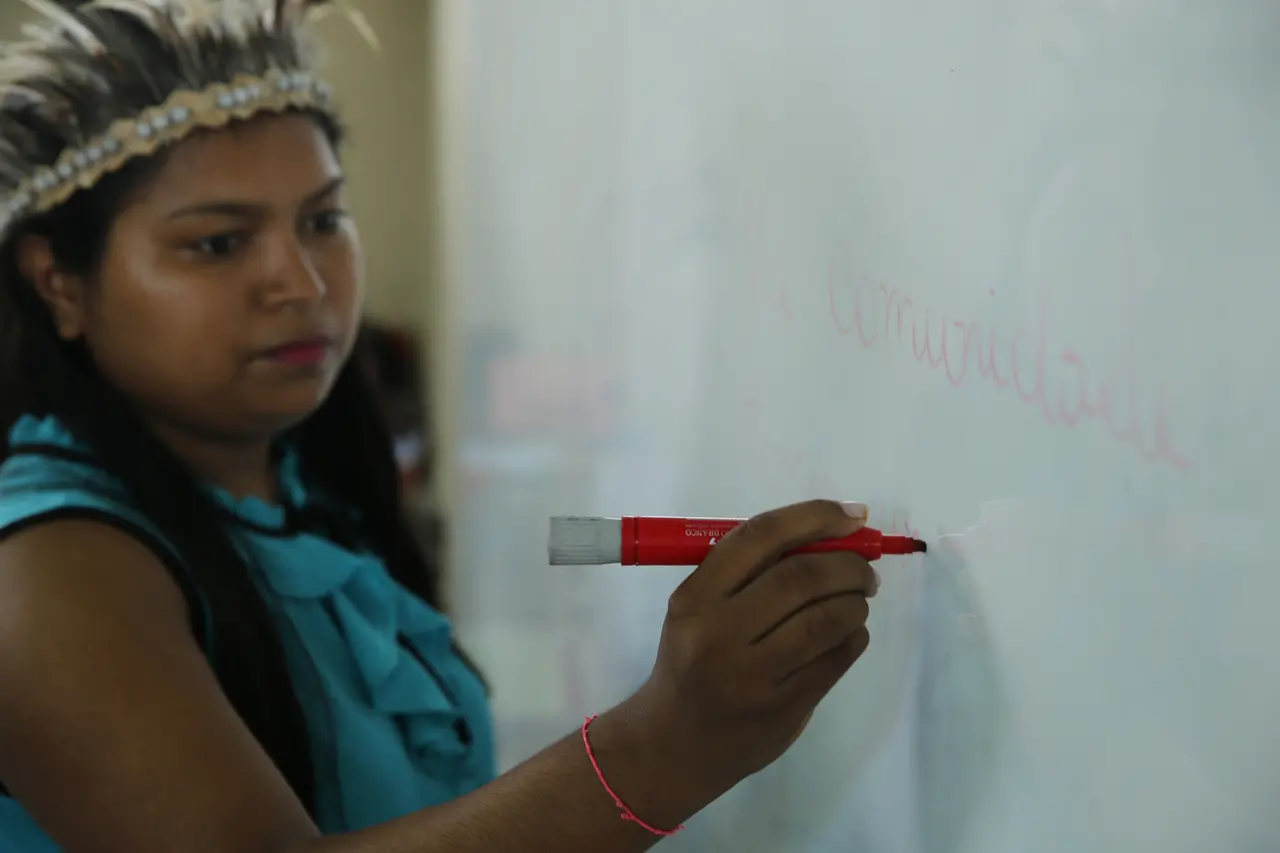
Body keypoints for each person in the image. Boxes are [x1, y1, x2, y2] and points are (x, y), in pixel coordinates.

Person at [0, 2, 879, 851]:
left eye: (324, 221)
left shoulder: (307, 485)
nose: (303, 282)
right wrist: (663, 747)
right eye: (218, 243)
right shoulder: (45, 568)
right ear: (58, 284)